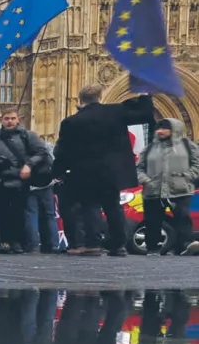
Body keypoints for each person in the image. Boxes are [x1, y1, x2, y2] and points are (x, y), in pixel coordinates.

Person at [52, 85, 154, 256]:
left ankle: (93, 244)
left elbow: (63, 151)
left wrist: (57, 172)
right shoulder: (116, 111)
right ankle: (118, 245)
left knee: (90, 206)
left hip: (85, 172)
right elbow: (144, 115)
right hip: (113, 171)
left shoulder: (71, 121)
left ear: (80, 99)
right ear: (100, 96)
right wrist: (145, 94)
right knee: (113, 206)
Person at [0, 108, 50, 254]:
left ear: (18, 119)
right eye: (6, 118)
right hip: (1, 180)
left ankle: (18, 243)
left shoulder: (27, 136)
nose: (10, 121)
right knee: (2, 213)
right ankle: (6, 243)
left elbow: (42, 152)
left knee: (18, 213)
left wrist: (29, 165)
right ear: (1, 121)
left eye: (12, 118)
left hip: (20, 180)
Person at [136, 117, 199, 256]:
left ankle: (185, 245)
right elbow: (139, 167)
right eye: (158, 128)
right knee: (152, 220)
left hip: (180, 189)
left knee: (182, 218)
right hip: (153, 190)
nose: (160, 131)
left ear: (174, 130)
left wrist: (188, 176)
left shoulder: (187, 145)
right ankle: (153, 248)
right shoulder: (150, 147)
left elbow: (197, 163)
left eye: (165, 128)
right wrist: (145, 180)